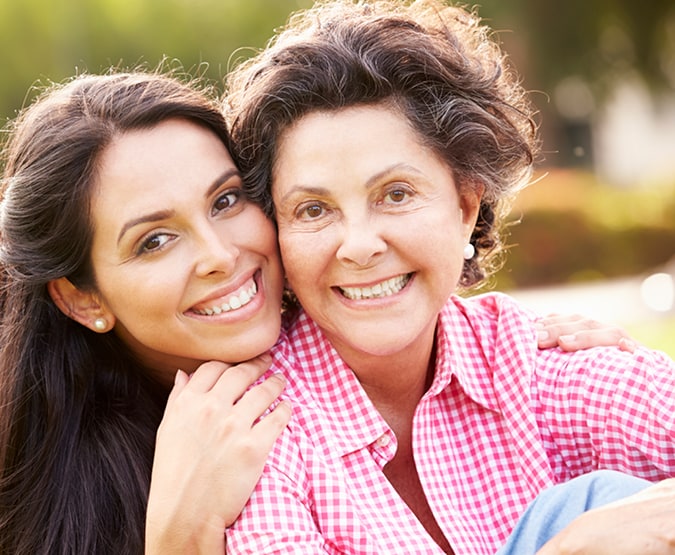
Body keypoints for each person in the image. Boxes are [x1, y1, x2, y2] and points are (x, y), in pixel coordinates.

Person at [222, 0, 675, 553]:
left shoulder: (524, 360)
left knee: (606, 504)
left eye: (396, 194)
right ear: (277, 235)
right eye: (313, 209)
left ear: (465, 206)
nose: (360, 246)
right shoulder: (256, 421)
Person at [0, 70, 292, 554]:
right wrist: (179, 539)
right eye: (155, 241)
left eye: (226, 200)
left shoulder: (354, 346)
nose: (219, 255)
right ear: (82, 299)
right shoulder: (53, 506)